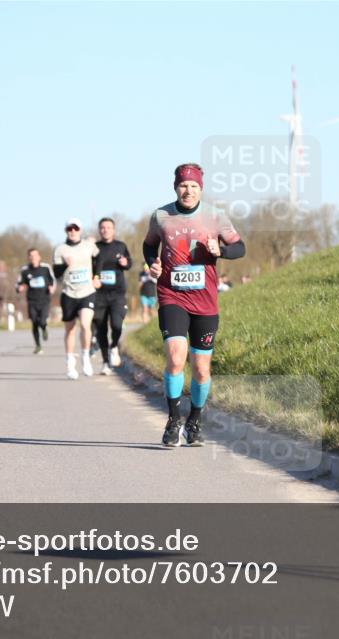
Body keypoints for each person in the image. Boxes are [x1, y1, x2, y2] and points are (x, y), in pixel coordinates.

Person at [143, 163, 246, 447]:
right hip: (171, 295)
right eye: (183, 186)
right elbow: (149, 245)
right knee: (176, 358)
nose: (187, 191)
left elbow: (240, 247)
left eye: (193, 186)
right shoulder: (161, 215)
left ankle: (195, 420)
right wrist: (152, 262)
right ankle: (174, 418)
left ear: (201, 188)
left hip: (205, 302)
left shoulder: (215, 216)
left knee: (201, 369)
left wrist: (220, 251)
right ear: (175, 187)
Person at [53, 218, 101, 379]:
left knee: (86, 325)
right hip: (68, 293)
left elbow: (98, 259)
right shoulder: (60, 249)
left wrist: (96, 276)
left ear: (80, 230)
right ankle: (70, 363)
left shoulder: (88, 245)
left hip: (87, 291)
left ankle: (86, 357)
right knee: (70, 329)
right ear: (66, 231)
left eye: (75, 228)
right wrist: (65, 264)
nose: (72, 231)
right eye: (69, 229)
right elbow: (56, 273)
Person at [93, 217, 132, 375]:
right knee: (101, 329)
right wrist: (93, 279)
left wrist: (125, 263)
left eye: (108, 227)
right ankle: (105, 362)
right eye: (102, 227)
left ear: (113, 230)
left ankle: (114, 345)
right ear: (99, 230)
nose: (105, 230)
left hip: (117, 294)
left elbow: (129, 263)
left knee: (117, 324)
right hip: (99, 295)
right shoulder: (94, 248)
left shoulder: (121, 246)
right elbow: (88, 266)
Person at [15, 248, 55, 354]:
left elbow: (52, 280)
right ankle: (38, 346)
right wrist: (19, 288)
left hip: (45, 299)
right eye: (31, 256)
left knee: (42, 321)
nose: (33, 258)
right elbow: (19, 283)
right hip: (32, 300)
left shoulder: (45, 268)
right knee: (34, 323)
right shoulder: (25, 270)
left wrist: (52, 288)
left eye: (35, 255)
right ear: (28, 257)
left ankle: (44, 328)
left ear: (39, 257)